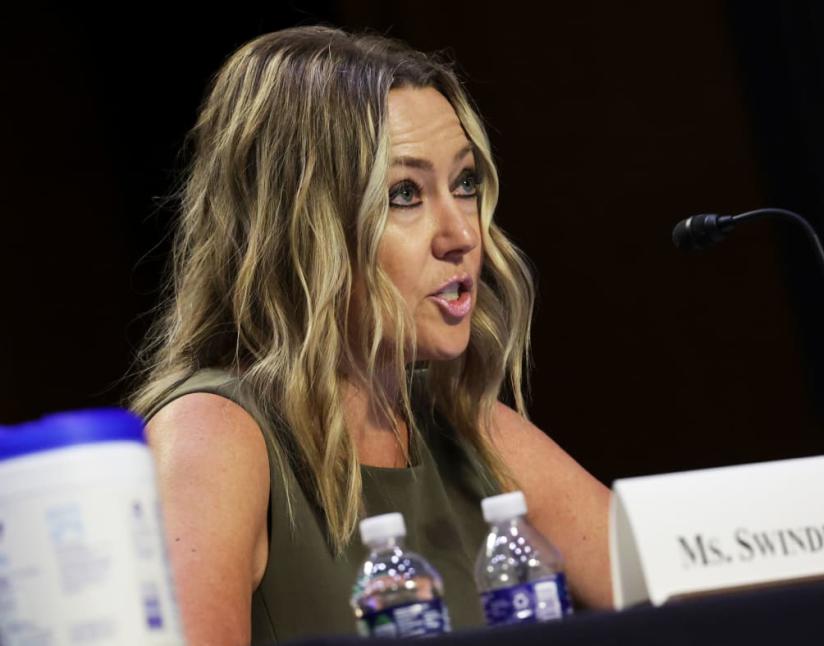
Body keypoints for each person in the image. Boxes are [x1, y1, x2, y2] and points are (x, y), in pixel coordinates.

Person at [131, 25, 612, 645]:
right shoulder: (213, 432)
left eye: (464, 184)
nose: (461, 234)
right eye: (404, 194)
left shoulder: (464, 425)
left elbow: (695, 585)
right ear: (301, 229)